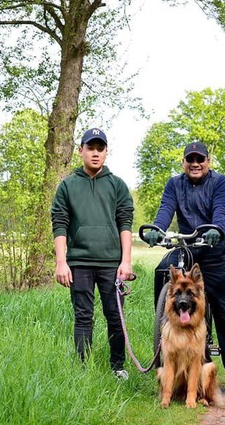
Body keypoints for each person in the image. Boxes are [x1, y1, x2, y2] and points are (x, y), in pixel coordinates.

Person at [145, 141, 225, 391]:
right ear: (183, 162)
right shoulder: (174, 184)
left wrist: (217, 229)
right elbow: (165, 210)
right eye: (190, 160)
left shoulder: (219, 182)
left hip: (213, 250)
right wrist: (156, 230)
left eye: (200, 159)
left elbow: (220, 212)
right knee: (162, 271)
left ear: (208, 162)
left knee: (224, 310)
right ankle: (164, 321)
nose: (195, 164)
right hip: (187, 248)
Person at [51, 128, 135, 379]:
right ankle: (82, 371)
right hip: (79, 262)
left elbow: (125, 223)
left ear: (106, 152)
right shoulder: (67, 185)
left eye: (101, 148)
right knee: (83, 317)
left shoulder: (117, 185)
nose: (96, 153)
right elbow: (59, 223)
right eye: (91, 148)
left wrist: (126, 261)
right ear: (81, 151)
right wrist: (61, 262)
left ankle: (117, 368)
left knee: (115, 317)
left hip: (112, 263)